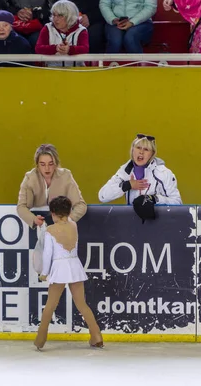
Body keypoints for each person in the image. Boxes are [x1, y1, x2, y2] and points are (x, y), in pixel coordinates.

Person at [34, 196, 103, 350]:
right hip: (74, 265)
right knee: (82, 304)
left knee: (50, 306)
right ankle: (96, 335)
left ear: (53, 213)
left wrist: (44, 273)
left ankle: (40, 338)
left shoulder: (50, 230)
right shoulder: (73, 225)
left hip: (59, 268)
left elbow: (47, 255)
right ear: (69, 211)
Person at [98, 134, 182, 205]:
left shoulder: (163, 173)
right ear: (132, 150)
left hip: (159, 222)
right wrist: (127, 185)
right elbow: (103, 196)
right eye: (138, 147)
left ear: (152, 154)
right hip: (133, 221)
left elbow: (177, 202)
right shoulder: (125, 171)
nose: (141, 152)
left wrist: (154, 199)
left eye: (146, 149)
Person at [17, 144, 86, 228]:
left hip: (63, 227)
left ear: (56, 164)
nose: (47, 169)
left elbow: (81, 205)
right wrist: (34, 219)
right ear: (37, 165)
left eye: (51, 164)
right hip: (37, 228)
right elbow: (21, 207)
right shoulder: (29, 178)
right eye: (42, 164)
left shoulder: (66, 176)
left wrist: (67, 220)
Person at [35, 0, 89, 66]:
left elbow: (85, 49)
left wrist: (70, 49)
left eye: (60, 16)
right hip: (51, 71)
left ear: (70, 16)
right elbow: (38, 48)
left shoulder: (81, 30)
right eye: (54, 15)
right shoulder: (47, 28)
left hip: (76, 71)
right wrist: (55, 48)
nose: (55, 19)